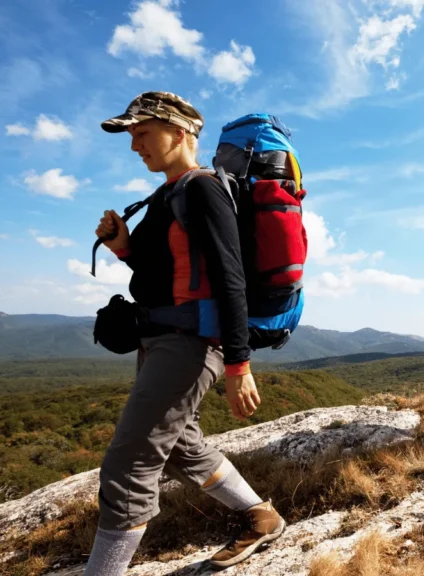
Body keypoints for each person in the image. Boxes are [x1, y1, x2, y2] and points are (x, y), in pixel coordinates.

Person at [86, 92, 284, 575]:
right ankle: (261, 515)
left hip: (191, 344)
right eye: (131, 136)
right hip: (161, 339)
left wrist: (239, 363)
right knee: (178, 445)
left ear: (180, 133)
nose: (135, 145)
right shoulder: (167, 195)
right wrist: (124, 249)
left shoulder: (203, 190)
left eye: (142, 133)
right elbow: (168, 273)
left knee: (128, 466)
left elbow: (229, 276)